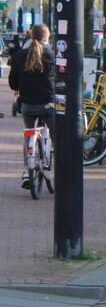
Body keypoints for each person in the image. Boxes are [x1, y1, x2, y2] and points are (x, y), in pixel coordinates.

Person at [8, 24, 55, 188]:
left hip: (27, 106)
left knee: (29, 135)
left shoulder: (19, 56)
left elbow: (13, 83)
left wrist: (20, 88)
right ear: (47, 37)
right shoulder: (52, 55)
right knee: (58, 137)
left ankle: (28, 171)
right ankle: (58, 170)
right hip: (49, 105)